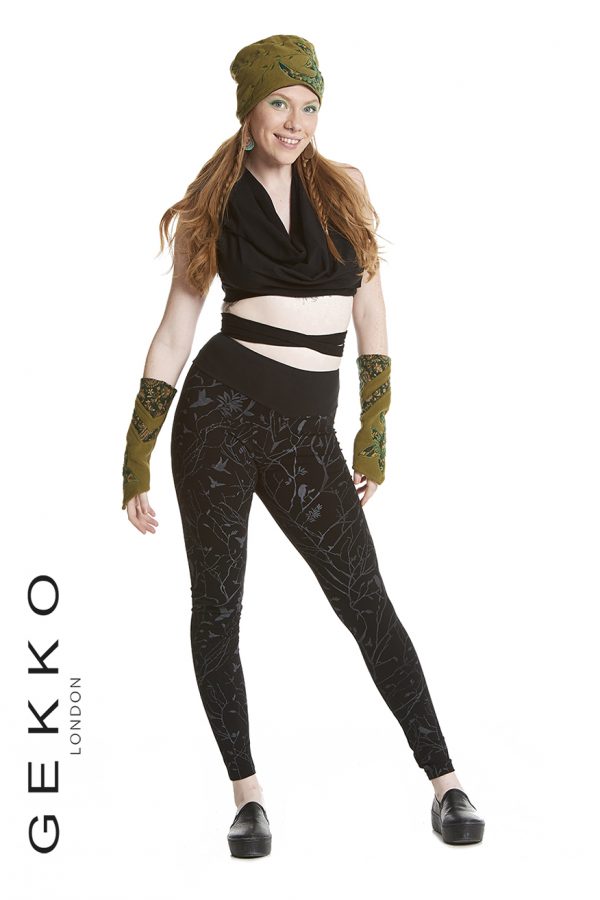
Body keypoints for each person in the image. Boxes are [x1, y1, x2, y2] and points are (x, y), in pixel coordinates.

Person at [121, 34, 485, 857]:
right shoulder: (214, 203)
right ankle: (247, 797)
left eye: (310, 105)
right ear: (249, 110)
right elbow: (176, 332)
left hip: (304, 432)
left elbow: (372, 314)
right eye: (280, 103)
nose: (295, 121)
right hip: (217, 417)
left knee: (366, 601)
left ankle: (446, 783)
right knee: (218, 607)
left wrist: (373, 431)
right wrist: (135, 455)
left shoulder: (344, 187)